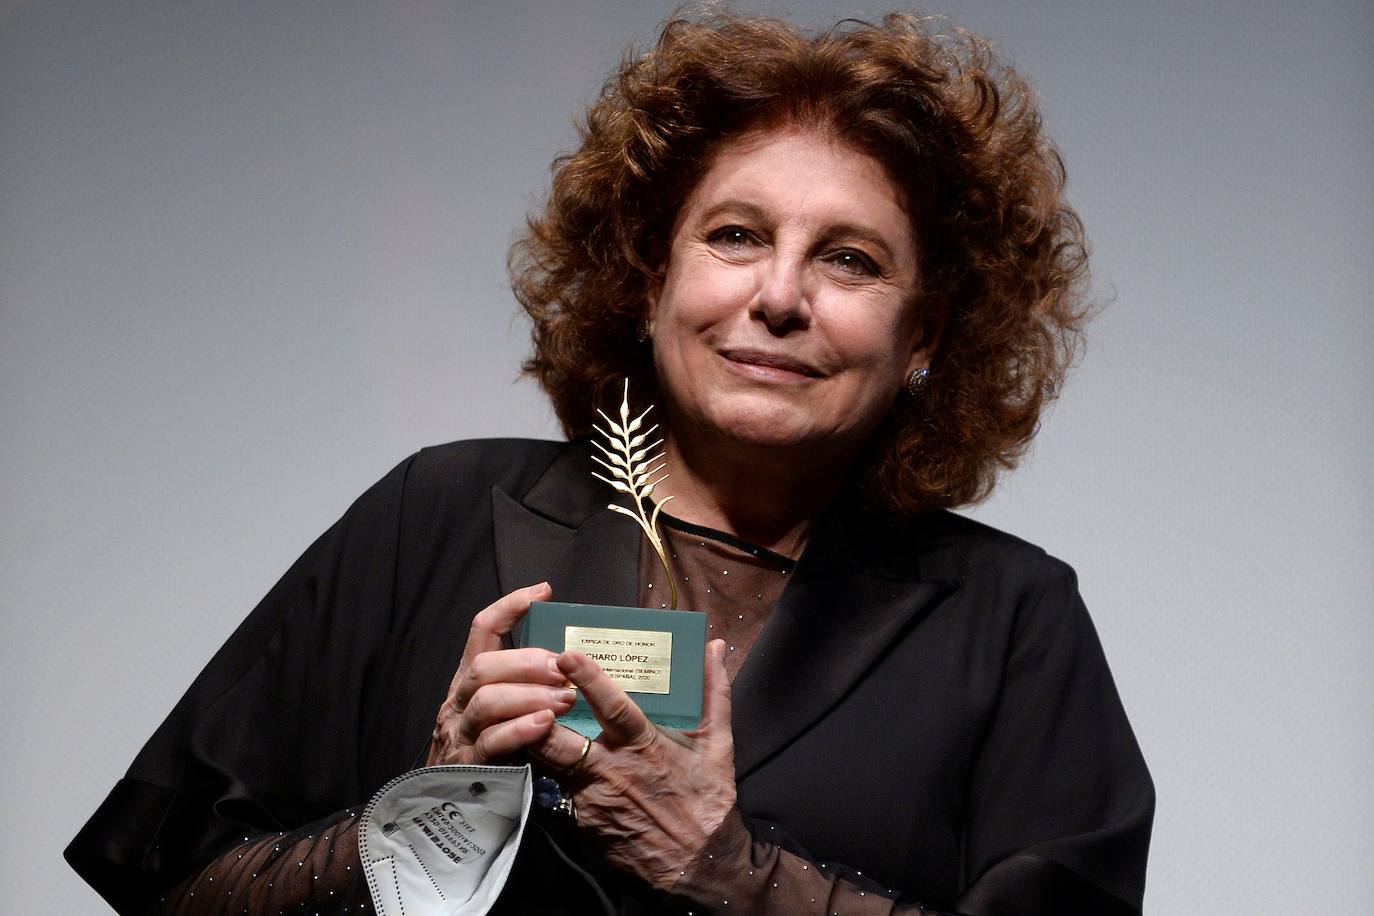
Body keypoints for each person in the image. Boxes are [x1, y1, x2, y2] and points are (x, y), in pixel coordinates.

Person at [66, 10, 1153, 915]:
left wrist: (729, 871)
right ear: (648, 278)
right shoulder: (437, 512)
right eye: (735, 236)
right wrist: (422, 825)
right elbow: (167, 885)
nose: (779, 296)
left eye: (850, 259)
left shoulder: (1012, 620)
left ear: (924, 336)